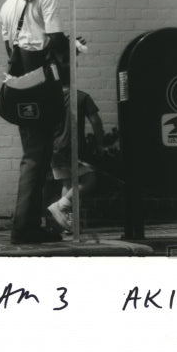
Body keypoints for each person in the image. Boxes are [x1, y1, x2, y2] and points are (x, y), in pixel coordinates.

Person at [0, 0, 70, 244]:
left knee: (34, 153)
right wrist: (73, 49)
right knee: (38, 156)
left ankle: (30, 223)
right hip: (43, 79)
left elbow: (8, 48)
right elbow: (55, 39)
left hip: (21, 78)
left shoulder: (8, 4)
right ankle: (25, 227)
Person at [47, 55, 106, 233]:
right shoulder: (82, 97)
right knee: (90, 179)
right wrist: (100, 144)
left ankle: (66, 223)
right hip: (72, 147)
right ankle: (61, 206)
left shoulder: (51, 98)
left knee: (68, 183)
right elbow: (96, 121)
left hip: (55, 148)